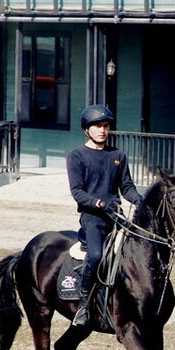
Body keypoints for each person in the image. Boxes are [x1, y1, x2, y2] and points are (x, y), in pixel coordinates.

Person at [66, 103, 143, 327]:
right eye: (98, 126)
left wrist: (138, 199)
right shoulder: (76, 156)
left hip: (116, 217)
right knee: (97, 255)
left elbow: (126, 187)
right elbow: (77, 192)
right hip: (93, 218)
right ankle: (82, 305)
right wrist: (98, 202)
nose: (103, 130)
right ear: (87, 129)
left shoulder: (118, 155)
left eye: (106, 126)